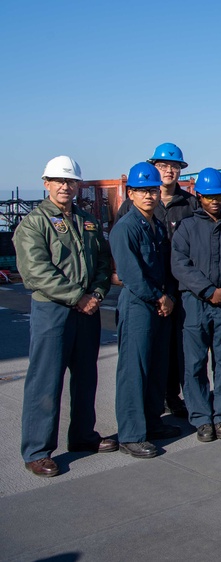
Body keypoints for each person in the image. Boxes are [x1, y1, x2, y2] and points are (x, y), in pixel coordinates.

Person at [14, 156, 117, 477]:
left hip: (87, 310)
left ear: (78, 185)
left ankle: (83, 436)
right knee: (45, 381)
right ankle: (37, 450)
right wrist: (78, 297)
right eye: (58, 181)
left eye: (70, 181)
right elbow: (35, 272)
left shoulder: (87, 221)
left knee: (86, 376)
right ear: (46, 183)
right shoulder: (34, 223)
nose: (64, 186)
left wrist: (98, 294)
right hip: (53, 311)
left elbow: (103, 259)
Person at [172, 168, 221, 443]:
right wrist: (207, 291)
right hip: (195, 304)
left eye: (218, 195)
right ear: (199, 196)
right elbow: (179, 263)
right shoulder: (187, 227)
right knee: (194, 364)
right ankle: (201, 418)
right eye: (208, 196)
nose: (214, 200)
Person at [118, 142, 197, 418]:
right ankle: (141, 414)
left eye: (174, 167)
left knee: (174, 349)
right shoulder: (130, 210)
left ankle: (170, 397)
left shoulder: (189, 203)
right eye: (163, 166)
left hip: (178, 288)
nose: (168, 171)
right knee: (141, 356)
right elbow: (125, 255)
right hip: (148, 292)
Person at [109, 163, 183, 459]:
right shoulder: (126, 227)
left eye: (152, 190)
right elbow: (131, 274)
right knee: (134, 371)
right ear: (131, 194)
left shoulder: (154, 226)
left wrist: (167, 297)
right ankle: (131, 434)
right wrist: (160, 298)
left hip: (159, 304)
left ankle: (152, 422)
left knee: (156, 367)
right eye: (142, 191)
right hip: (139, 305)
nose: (149, 195)